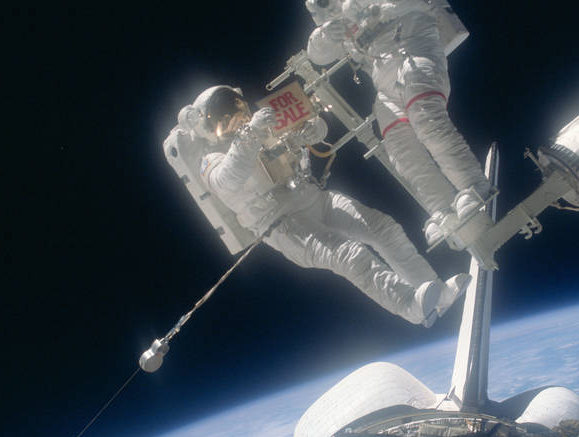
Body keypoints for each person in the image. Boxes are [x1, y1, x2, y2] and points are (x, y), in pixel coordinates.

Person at [181, 84, 469, 326]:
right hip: (284, 224)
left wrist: (311, 129)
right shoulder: (210, 160)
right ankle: (412, 307)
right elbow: (228, 180)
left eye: (238, 109)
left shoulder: (262, 129)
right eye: (225, 116)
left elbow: (311, 136)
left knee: (384, 229)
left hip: (314, 198)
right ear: (207, 126)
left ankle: (434, 293)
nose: (237, 118)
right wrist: (250, 135)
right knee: (349, 255)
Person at [305, 0, 492, 248]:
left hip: (413, 46)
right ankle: (444, 210)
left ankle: (474, 190)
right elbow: (317, 54)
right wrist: (328, 32)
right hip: (382, 75)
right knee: (401, 149)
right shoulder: (339, 9)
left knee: (426, 119)